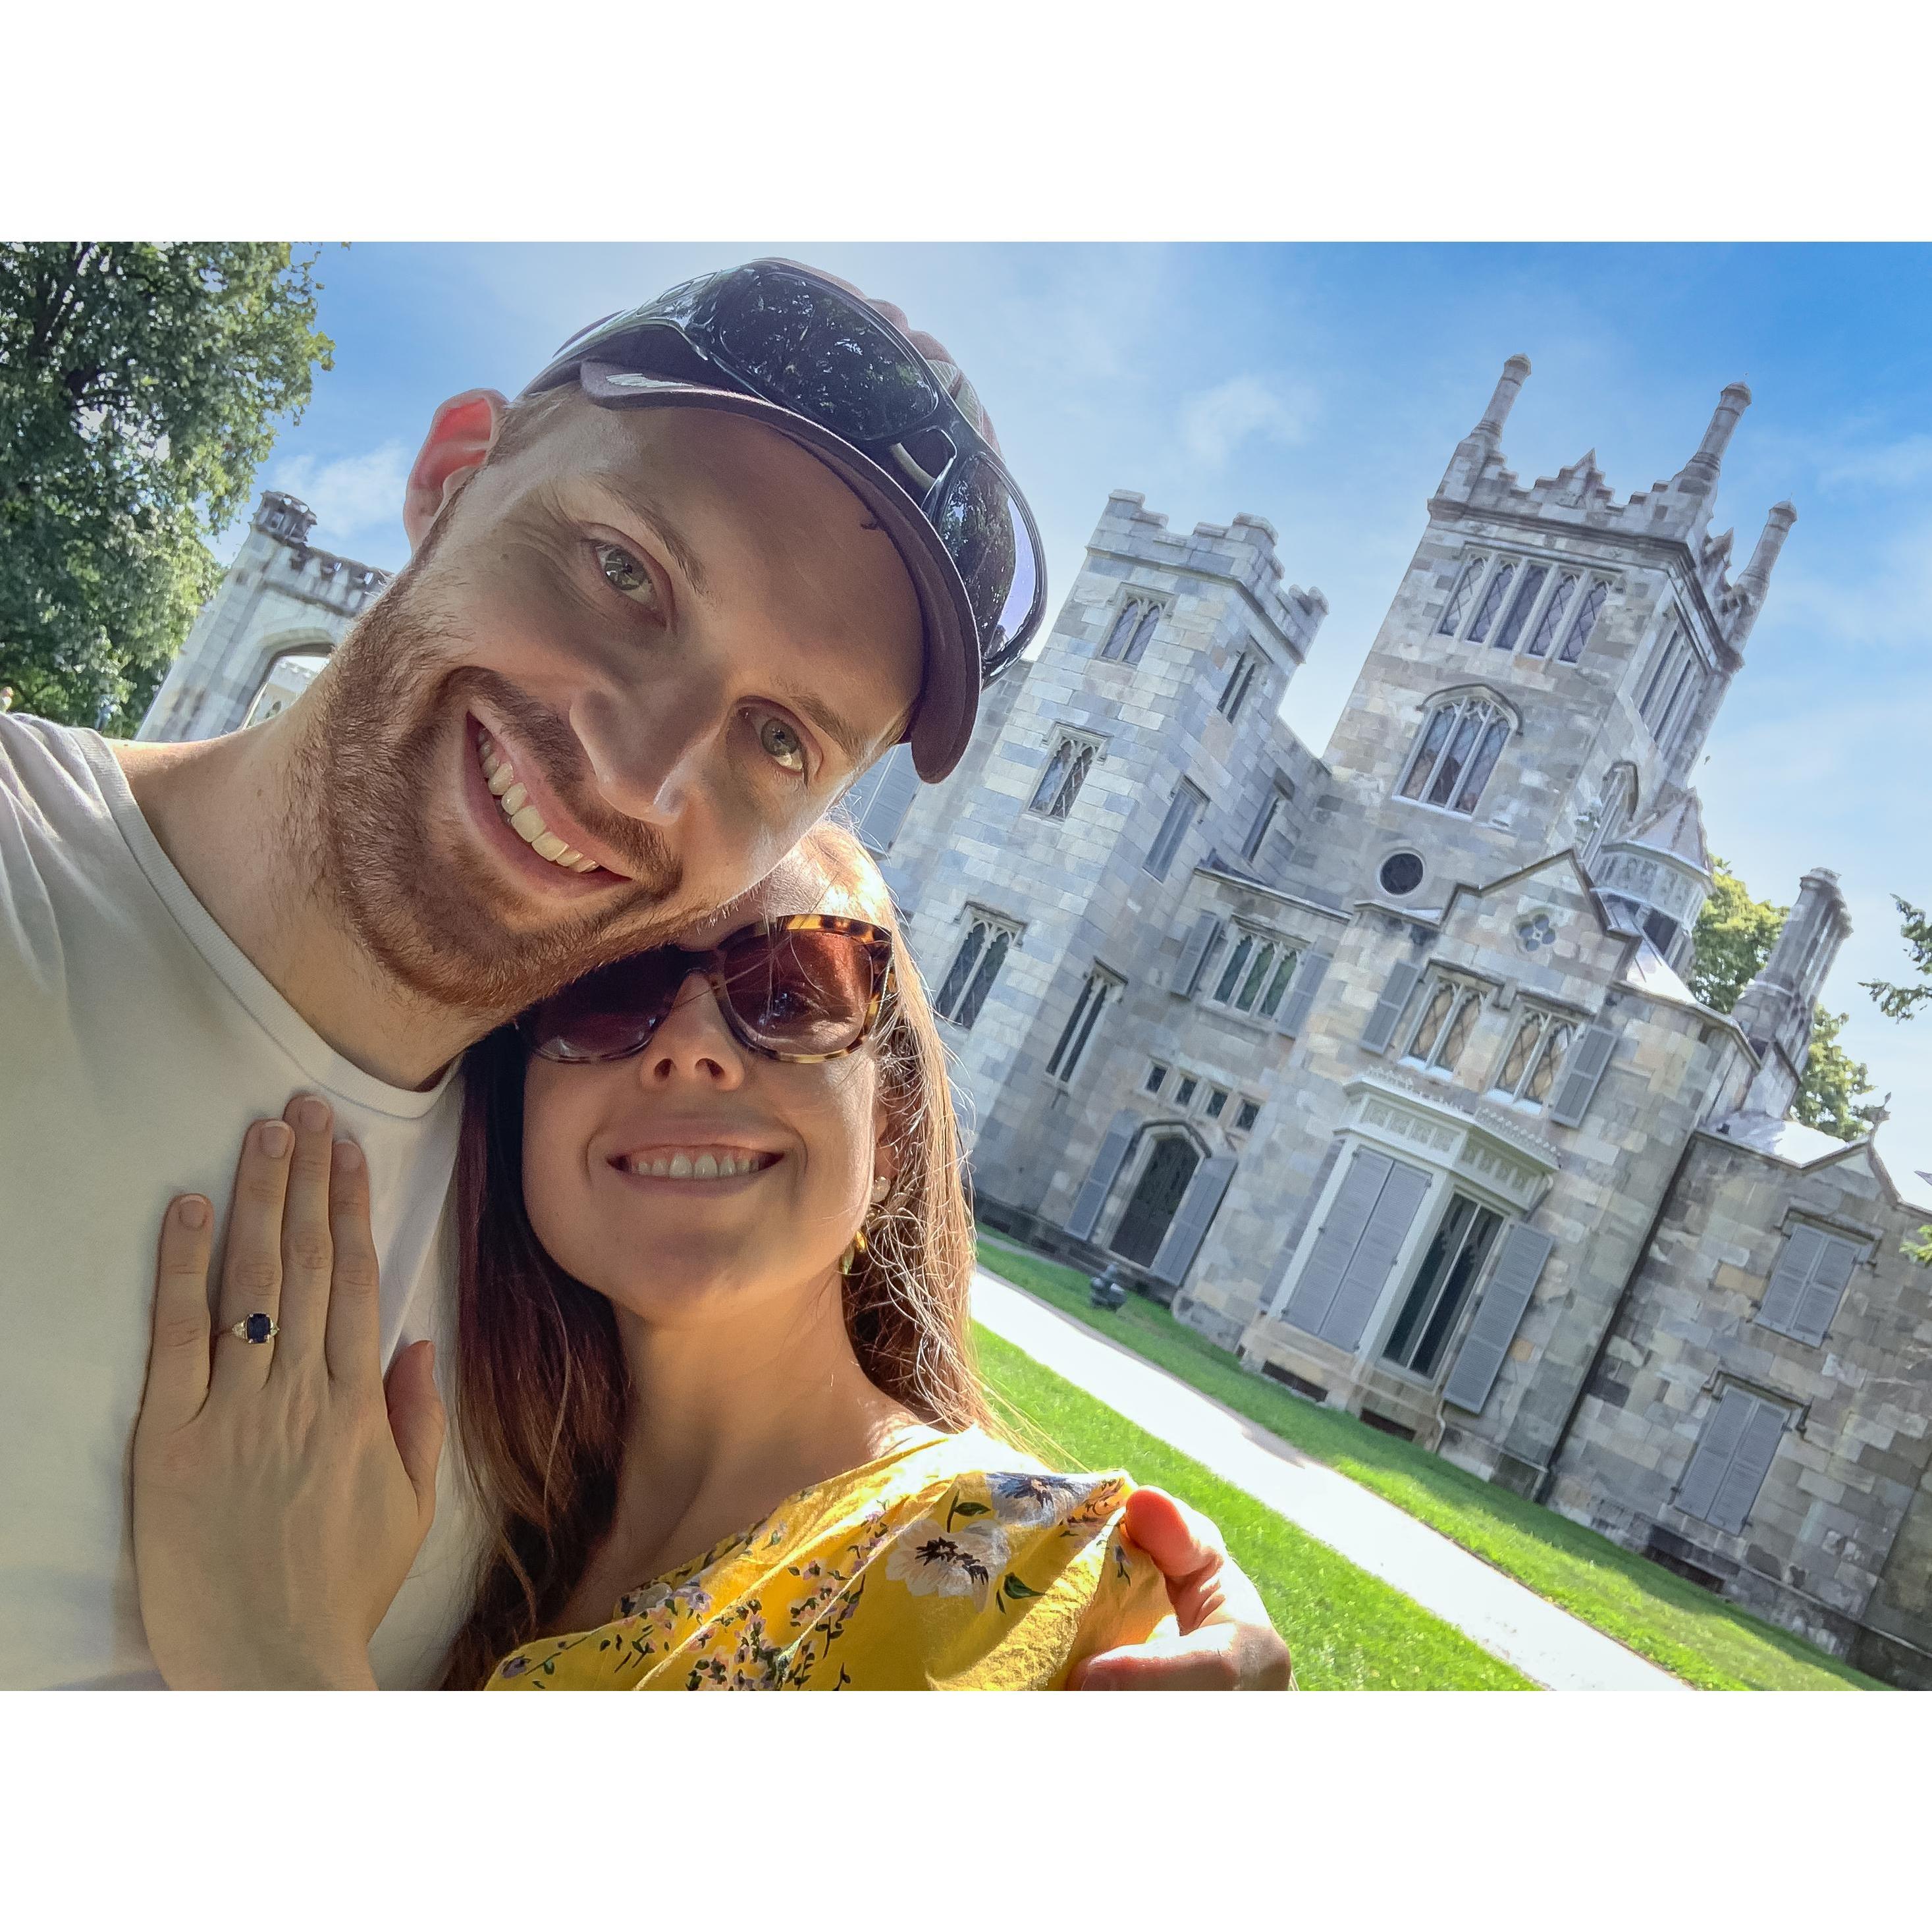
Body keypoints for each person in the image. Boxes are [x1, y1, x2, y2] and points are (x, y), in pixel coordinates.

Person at [1, 257, 1285, 1689]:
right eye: (628, 573)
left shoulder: (569, 1295)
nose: (639, 770)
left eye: (783, 737)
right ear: (451, 476)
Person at [133, 827, 1289, 1690]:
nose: (692, 1049)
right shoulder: (494, 1535)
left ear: (887, 1131)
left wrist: (269, 1653)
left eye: (788, 992)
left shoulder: (1036, 1574)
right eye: (606, 988)